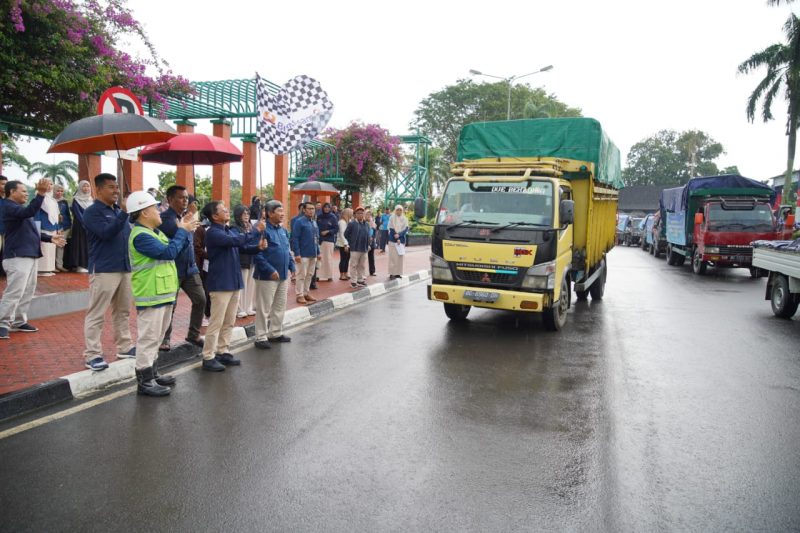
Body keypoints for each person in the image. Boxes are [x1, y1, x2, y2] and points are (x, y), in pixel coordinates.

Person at [126, 191, 198, 396]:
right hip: (151, 294)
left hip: (164, 292)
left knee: (156, 337)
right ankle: (145, 381)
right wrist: (182, 232)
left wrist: (186, 230)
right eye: (155, 208)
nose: (160, 211)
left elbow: (175, 249)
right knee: (148, 338)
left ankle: (153, 373)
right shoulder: (140, 235)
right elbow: (167, 253)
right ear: (144, 213)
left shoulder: (156, 232)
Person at [201, 201, 266, 371]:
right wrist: (255, 230)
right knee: (216, 322)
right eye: (223, 210)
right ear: (214, 216)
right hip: (220, 283)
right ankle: (208, 356)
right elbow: (237, 241)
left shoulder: (226, 231)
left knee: (229, 321)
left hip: (233, 280)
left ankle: (223, 350)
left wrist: (257, 248)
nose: (227, 211)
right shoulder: (213, 233)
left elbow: (242, 247)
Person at [81, 173, 135, 372]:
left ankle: (125, 346)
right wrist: (123, 213)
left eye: (117, 187)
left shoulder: (118, 211)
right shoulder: (92, 212)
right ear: (99, 189)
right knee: (96, 313)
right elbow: (106, 233)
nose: (116, 191)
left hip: (124, 267)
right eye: (111, 187)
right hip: (104, 269)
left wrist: (124, 212)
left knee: (123, 311)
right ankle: (92, 354)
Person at [0, 179, 66, 339]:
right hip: (17, 256)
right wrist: (41, 194)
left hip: (30, 254)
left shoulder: (20, 209)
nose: (26, 193)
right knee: (14, 291)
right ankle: (2, 323)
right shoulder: (7, 207)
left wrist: (50, 238)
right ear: (11, 192)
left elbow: (32, 231)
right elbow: (28, 212)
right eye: (22, 191)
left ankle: (18, 321)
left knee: (28, 290)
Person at [157, 185, 207, 352]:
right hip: (173, 268)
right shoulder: (165, 218)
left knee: (201, 299)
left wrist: (189, 219)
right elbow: (175, 232)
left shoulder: (185, 217)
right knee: (171, 305)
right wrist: (189, 218)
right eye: (180, 197)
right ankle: (165, 338)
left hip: (190, 268)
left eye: (186, 197)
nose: (185, 200)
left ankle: (193, 334)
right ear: (170, 199)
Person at [252, 200, 295, 349]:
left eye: (283, 211)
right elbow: (257, 255)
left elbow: (286, 250)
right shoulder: (262, 230)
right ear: (269, 213)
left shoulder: (283, 230)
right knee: (264, 308)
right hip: (267, 276)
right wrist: (270, 270)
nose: (283, 214)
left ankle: (275, 332)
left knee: (279, 306)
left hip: (283, 275)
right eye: (279, 211)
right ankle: (260, 336)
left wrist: (292, 266)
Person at [291, 201, 321, 305]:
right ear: (304, 210)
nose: (311, 210)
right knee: (301, 275)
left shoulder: (314, 222)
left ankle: (306, 292)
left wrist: (318, 252)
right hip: (303, 254)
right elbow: (294, 238)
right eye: (309, 208)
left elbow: (316, 238)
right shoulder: (299, 222)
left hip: (313, 253)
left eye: (313, 209)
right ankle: (299, 295)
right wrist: (297, 253)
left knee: (310, 274)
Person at [232, 204, 256, 318]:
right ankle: (240, 308)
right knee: (242, 285)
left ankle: (248, 307)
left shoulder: (251, 227)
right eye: (244, 213)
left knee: (251, 284)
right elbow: (240, 243)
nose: (246, 215)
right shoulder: (235, 228)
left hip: (252, 259)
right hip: (242, 259)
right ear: (238, 215)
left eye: (248, 213)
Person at [65, 180, 92, 273]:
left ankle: (87, 264)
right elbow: (77, 213)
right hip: (80, 226)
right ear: (80, 188)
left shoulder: (91, 199)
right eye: (84, 186)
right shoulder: (76, 199)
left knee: (88, 245)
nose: (86, 188)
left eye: (87, 186)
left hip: (90, 227)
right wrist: (85, 223)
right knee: (80, 244)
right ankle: (79, 265)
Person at [34, 181, 60, 276]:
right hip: (43, 226)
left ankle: (49, 269)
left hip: (52, 227)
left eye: (51, 184)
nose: (49, 186)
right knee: (44, 247)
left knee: (51, 248)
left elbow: (56, 216)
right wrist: (37, 227)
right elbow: (36, 214)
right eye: (47, 184)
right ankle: (41, 270)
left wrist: (58, 227)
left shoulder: (52, 200)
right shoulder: (39, 198)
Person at [344, 206, 371, 288]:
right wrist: (351, 243)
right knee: (354, 265)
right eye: (358, 213)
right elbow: (346, 234)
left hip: (364, 248)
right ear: (355, 214)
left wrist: (368, 244)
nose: (361, 215)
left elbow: (368, 236)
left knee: (362, 265)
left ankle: (360, 279)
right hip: (355, 248)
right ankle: (353, 281)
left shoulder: (366, 224)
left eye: (362, 213)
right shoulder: (352, 223)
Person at [316, 202, 338, 282]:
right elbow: (316, 227)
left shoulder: (333, 217)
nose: (326, 209)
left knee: (328, 258)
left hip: (329, 240)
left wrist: (328, 231)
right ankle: (318, 275)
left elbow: (336, 229)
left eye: (328, 207)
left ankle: (329, 275)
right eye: (325, 207)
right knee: (319, 257)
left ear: (330, 208)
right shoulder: (319, 217)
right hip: (320, 240)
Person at [387, 205, 410, 279]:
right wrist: (397, 238)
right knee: (393, 257)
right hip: (393, 240)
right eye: (397, 210)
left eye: (400, 210)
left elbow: (406, 229)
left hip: (401, 241)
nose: (399, 211)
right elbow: (391, 229)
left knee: (400, 258)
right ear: (395, 210)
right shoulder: (392, 218)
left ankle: (398, 273)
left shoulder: (405, 219)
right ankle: (392, 273)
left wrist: (399, 236)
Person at [53, 184, 72, 272]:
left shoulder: (64, 201)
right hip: (53, 226)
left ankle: (59, 265)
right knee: (52, 245)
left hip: (65, 226)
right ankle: (52, 266)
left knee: (61, 246)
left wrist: (69, 225)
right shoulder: (50, 201)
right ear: (53, 191)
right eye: (58, 191)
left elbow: (68, 214)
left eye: (61, 191)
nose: (59, 193)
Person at [336, 207, 352, 280]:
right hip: (343, 244)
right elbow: (342, 234)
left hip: (347, 243)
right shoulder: (342, 222)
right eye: (350, 213)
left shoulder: (347, 221)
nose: (352, 214)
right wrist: (346, 244)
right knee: (343, 259)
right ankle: (341, 274)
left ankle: (345, 273)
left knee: (347, 259)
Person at [365, 209, 377, 276]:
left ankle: (372, 271)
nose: (368, 216)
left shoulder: (373, 223)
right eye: (367, 214)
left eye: (370, 215)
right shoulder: (363, 222)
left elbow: (375, 233)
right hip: (364, 242)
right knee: (362, 258)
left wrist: (372, 238)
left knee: (371, 257)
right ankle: (362, 273)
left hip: (371, 242)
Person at [0, 174, 7, 277]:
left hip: (5, 229)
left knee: (4, 252)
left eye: (6, 184)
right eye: (2, 184)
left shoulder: (7, 199)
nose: (4, 186)